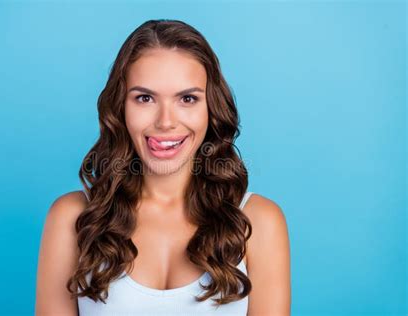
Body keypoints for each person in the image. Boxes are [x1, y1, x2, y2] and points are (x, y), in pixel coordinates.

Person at [35, 19, 291, 316]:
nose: (165, 121)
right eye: (144, 98)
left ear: (211, 108)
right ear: (121, 107)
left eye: (187, 98)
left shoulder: (258, 222)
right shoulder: (72, 218)